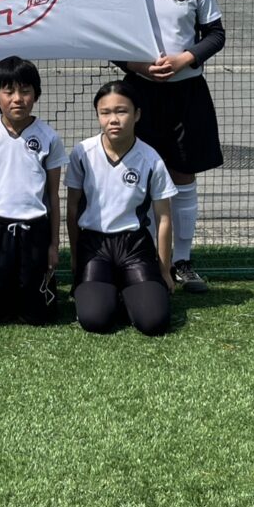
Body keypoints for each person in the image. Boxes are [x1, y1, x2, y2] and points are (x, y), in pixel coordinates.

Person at [117, 0, 225, 293]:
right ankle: (147, 257)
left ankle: (182, 260)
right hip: (140, 94)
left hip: (187, 94)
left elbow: (215, 35)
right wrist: (139, 67)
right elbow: (110, 41)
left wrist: (185, 59)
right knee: (143, 175)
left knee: (183, 175)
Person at [66, 80, 176, 335]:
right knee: (95, 320)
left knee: (153, 322)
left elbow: (164, 218)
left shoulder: (151, 158)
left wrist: (164, 269)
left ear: (137, 114)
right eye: (105, 112)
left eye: (121, 111)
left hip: (134, 246)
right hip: (94, 246)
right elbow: (72, 209)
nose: (113, 119)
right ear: (98, 116)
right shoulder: (82, 153)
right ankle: (109, 289)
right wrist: (74, 257)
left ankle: (127, 289)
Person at [0, 56, 67, 325]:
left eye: (25, 90)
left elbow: (53, 196)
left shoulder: (49, 137)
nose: (17, 99)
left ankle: (34, 302)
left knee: (38, 315)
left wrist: (54, 245)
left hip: (35, 229)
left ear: (36, 95)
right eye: (8, 91)